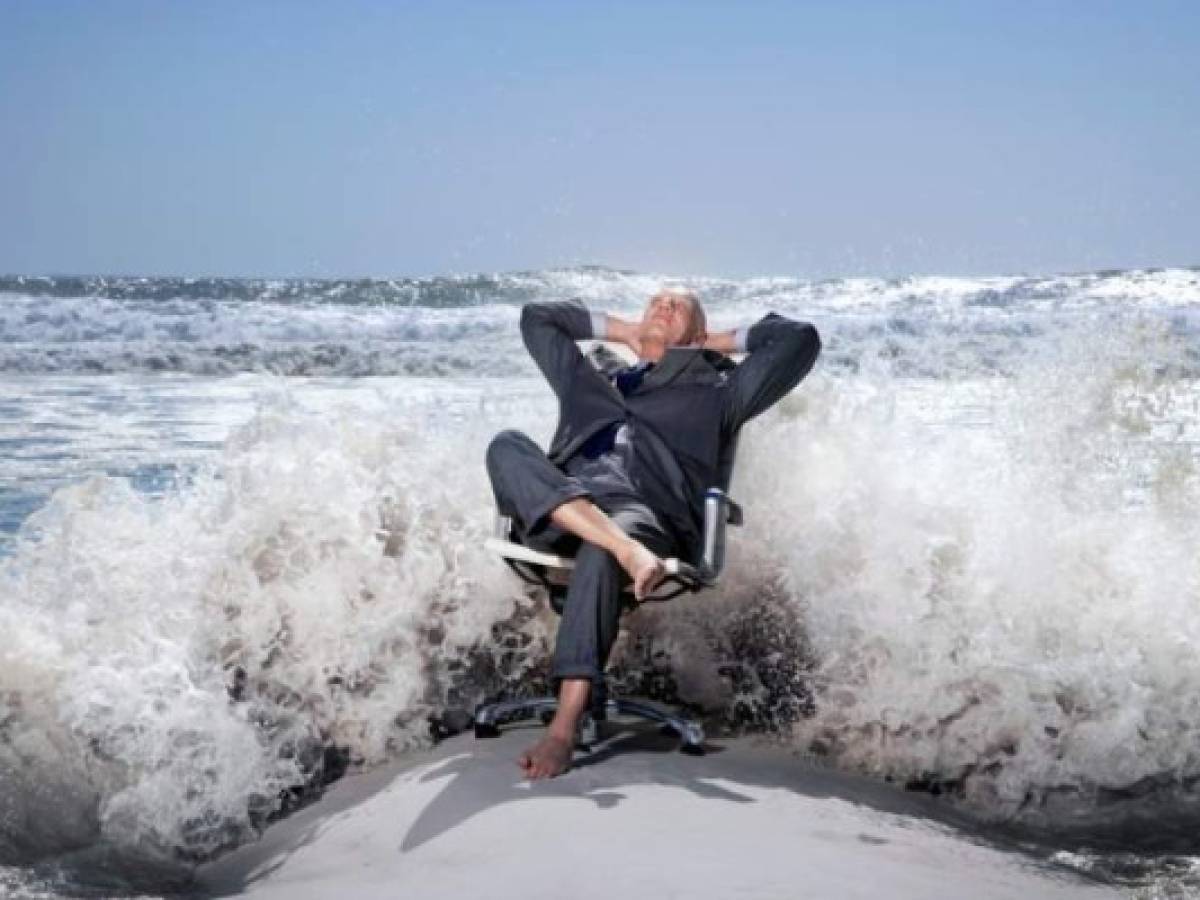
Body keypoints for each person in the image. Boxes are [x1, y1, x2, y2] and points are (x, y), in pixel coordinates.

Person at [485, 288, 820, 779]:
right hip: (563, 509)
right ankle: (624, 549)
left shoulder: (718, 393)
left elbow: (799, 340)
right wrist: (626, 333)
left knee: (607, 549)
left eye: (678, 306)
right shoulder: (589, 380)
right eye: (655, 302)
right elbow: (537, 319)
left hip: (644, 515)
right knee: (507, 445)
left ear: (698, 332)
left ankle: (563, 728)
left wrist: (718, 341)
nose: (663, 306)